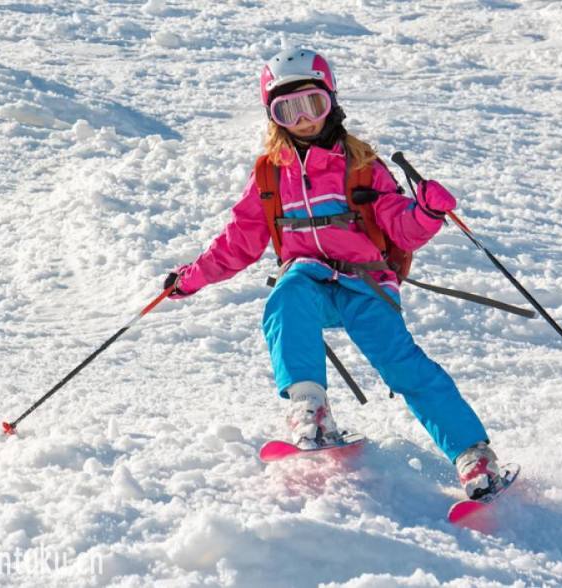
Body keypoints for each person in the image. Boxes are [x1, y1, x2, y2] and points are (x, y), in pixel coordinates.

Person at [164, 48, 504, 500]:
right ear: (273, 117)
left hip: (366, 285)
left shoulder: (362, 165)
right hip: (309, 281)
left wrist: (424, 212)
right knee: (286, 298)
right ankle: (311, 411)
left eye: (312, 104)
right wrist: (190, 278)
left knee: (403, 366)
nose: (303, 119)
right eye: (288, 110)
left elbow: (398, 221)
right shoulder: (270, 174)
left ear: (331, 101)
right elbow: (239, 241)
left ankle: (472, 455)